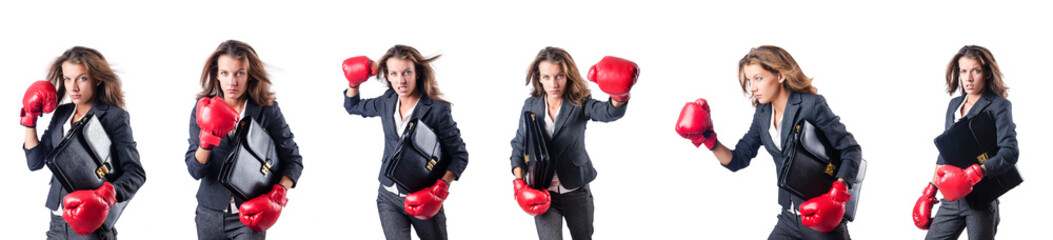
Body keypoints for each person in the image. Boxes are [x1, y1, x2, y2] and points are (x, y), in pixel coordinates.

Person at [676, 45, 862, 239]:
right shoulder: (763, 113)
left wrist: (838, 193)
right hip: (788, 219)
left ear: (780, 75)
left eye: (759, 78)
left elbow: (851, 149)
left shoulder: (812, 105)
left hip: (822, 219)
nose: (753, 87)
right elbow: (739, 158)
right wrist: (710, 140)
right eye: (749, 80)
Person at [508, 46, 637, 240]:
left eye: (559, 76)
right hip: (543, 192)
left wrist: (620, 96)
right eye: (547, 77)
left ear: (568, 75)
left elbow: (608, 112)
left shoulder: (580, 102)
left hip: (576, 190)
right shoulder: (530, 105)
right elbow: (519, 143)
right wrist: (519, 183)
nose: (554, 84)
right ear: (539, 78)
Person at [342, 45, 469, 240]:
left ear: (417, 73)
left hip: (423, 198)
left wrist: (440, 187)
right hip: (388, 196)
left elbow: (459, 154)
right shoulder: (387, 101)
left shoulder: (437, 109)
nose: (401, 80)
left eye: (406, 72)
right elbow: (353, 106)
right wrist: (354, 82)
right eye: (394, 73)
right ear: (388, 76)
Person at [22, 46, 147, 239]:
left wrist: (106, 195)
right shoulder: (62, 113)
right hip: (57, 223)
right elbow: (35, 162)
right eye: (67, 79)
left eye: (82, 78)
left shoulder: (115, 117)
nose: (73, 87)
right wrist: (30, 119)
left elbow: (136, 173)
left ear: (97, 79)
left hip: (91, 227)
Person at [185, 40, 304, 239]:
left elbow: (293, 159)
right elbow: (195, 170)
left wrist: (280, 191)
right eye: (225, 73)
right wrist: (207, 140)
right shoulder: (203, 109)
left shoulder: (266, 109)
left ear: (249, 75)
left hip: (250, 215)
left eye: (239, 73)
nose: (232, 82)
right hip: (209, 214)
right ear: (216, 74)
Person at [912, 45, 1018, 240]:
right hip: (951, 199)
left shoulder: (999, 106)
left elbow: (1010, 152)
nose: (969, 78)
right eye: (964, 71)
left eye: (975, 71)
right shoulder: (954, 105)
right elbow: (945, 152)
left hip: (981, 199)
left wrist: (977, 172)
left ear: (986, 73)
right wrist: (930, 190)